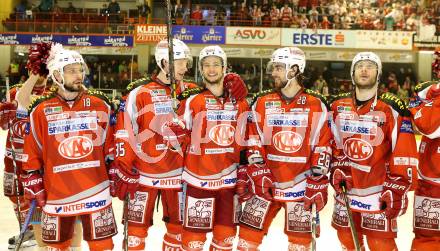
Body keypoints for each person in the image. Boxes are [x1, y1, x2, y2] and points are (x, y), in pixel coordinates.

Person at [20, 43, 117, 251]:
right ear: (56, 74)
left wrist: (118, 168)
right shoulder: (40, 110)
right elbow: (32, 150)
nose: (78, 75)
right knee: (56, 247)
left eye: (80, 69)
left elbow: (112, 145)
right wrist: (32, 178)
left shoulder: (101, 104)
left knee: (103, 246)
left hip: (96, 191)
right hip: (57, 194)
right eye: (71, 71)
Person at [236, 47, 332, 250]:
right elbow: (253, 138)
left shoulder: (317, 103)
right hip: (265, 185)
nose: (273, 72)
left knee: (299, 245)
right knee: (246, 241)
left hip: (300, 187)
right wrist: (258, 171)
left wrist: (318, 179)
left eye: (279, 67)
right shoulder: (261, 101)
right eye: (274, 67)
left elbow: (323, 144)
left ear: (294, 69)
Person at [110, 38, 197, 251]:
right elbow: (124, 131)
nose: (186, 68)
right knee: (134, 235)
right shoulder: (138, 92)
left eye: (187, 62)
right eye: (180, 62)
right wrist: (123, 166)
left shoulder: (193, 92)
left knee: (178, 233)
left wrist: (230, 87)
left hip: (179, 176)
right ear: (164, 62)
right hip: (143, 175)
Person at [329, 52, 418, 251]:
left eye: (370, 65)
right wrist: (336, 168)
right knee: (347, 241)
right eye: (359, 65)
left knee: (381, 245)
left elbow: (404, 151)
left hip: (378, 193)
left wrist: (397, 187)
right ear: (352, 73)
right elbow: (332, 146)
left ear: (378, 73)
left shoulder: (392, 107)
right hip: (346, 191)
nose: (364, 69)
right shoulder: (337, 106)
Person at [176, 45, 248, 251]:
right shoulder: (192, 100)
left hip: (229, 184)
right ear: (200, 70)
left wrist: (246, 172)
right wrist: (174, 132)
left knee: (225, 240)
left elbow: (246, 140)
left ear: (225, 68)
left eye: (216, 64)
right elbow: (176, 136)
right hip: (198, 181)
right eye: (206, 65)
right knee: (193, 242)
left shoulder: (239, 102)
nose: (211, 69)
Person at [408, 57, 440, 250]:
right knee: (427, 239)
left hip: (431, 180)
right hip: (430, 182)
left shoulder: (429, 94)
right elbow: (429, 126)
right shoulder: (428, 92)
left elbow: (429, 126)